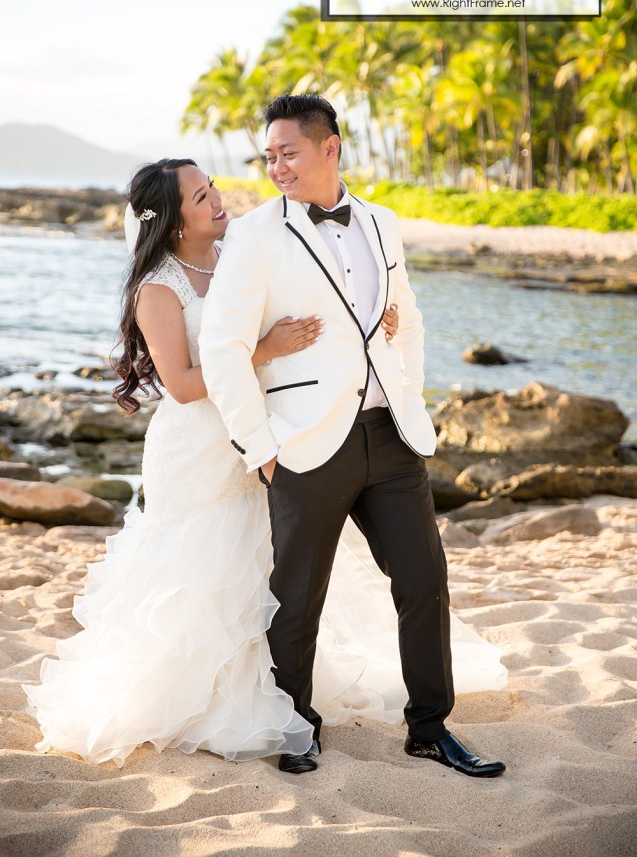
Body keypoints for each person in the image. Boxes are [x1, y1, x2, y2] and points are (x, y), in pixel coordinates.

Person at [22, 157, 403, 767]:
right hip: (195, 452)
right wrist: (265, 348)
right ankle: (199, 703)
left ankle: (272, 692)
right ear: (175, 222)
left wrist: (374, 323)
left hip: (260, 435)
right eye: (202, 197)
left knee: (262, 572)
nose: (219, 199)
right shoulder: (158, 288)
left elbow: (312, 311)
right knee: (201, 574)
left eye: (213, 187)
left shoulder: (240, 257)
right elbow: (180, 385)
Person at [200, 95, 507, 778]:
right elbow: (223, 348)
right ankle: (294, 726)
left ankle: (430, 727)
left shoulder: (381, 222)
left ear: (329, 148)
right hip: (304, 442)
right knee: (297, 596)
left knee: (424, 578)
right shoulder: (253, 235)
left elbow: (407, 318)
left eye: (289, 152)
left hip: (389, 434)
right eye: (269, 155)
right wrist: (261, 447)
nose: (276, 166)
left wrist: (408, 394)